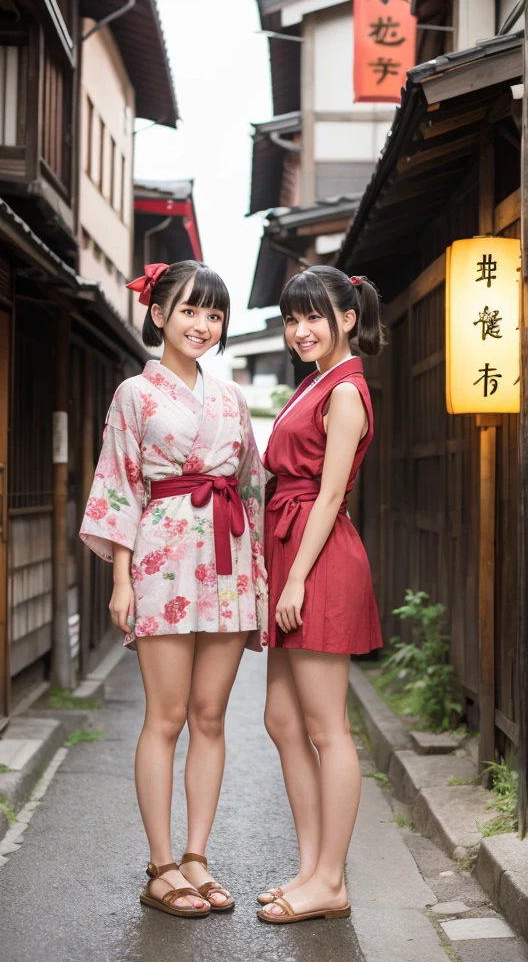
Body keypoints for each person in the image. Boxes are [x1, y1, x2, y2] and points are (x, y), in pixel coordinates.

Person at [80, 260, 266, 918]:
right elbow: (120, 482)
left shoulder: (233, 400)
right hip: (162, 561)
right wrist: (119, 575)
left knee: (209, 717)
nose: (203, 324)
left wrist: (261, 580)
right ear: (159, 314)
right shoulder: (135, 393)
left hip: (228, 560)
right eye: (189, 310)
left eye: (214, 314)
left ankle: (196, 856)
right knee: (164, 716)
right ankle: (160, 865)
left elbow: (250, 486)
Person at [257, 265, 383, 925]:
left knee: (327, 728)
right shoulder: (319, 381)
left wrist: (298, 576)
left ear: (349, 318)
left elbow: (331, 493)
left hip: (319, 557)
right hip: (297, 551)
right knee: (282, 721)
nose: (302, 330)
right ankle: (309, 869)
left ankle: (330, 879)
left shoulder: (347, 391)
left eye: (315, 317)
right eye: (292, 319)